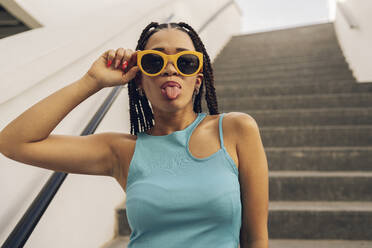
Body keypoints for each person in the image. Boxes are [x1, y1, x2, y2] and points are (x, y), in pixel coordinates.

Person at [0, 22, 269, 248]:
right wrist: (91, 81)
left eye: (185, 61)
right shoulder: (121, 151)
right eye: (154, 60)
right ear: (139, 81)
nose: (170, 68)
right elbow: (13, 142)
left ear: (198, 80)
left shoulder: (236, 130)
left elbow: (256, 239)